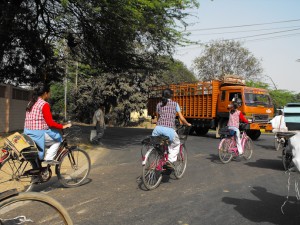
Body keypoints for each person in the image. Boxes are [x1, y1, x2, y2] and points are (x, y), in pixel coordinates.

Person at [24, 83, 71, 165]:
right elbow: (50, 123)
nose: (50, 94)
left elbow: (39, 119)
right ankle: (49, 159)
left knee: (44, 144)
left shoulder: (31, 103)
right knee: (58, 139)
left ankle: (37, 174)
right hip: (38, 134)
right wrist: (63, 126)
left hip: (27, 133)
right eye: (49, 92)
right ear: (45, 93)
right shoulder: (44, 104)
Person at [152, 88, 191, 168]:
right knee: (176, 144)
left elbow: (158, 118)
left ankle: (159, 159)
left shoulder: (158, 104)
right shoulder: (175, 104)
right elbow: (181, 118)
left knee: (159, 146)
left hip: (157, 129)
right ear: (171, 96)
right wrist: (188, 124)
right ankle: (170, 161)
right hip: (169, 130)